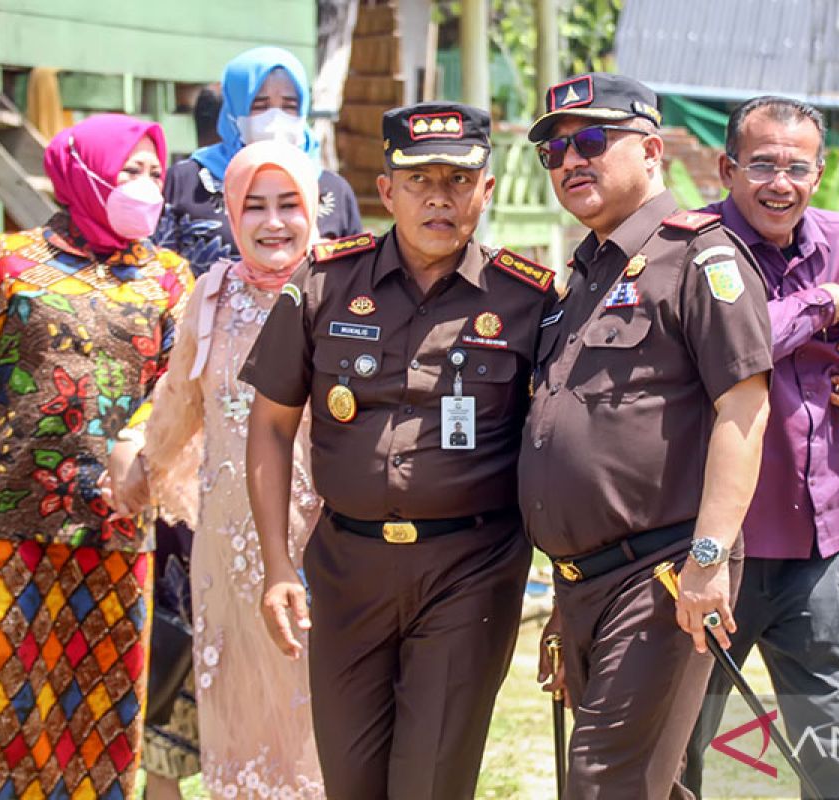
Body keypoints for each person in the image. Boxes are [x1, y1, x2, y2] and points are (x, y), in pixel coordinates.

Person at [241, 102, 551, 800]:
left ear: (488, 189)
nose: (439, 196)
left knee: (430, 782)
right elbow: (269, 425)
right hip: (346, 571)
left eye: (458, 179)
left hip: (468, 568)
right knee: (351, 781)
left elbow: (560, 442)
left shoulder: (530, 300)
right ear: (386, 191)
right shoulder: (322, 284)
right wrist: (276, 564)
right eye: (418, 180)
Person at [0, 114, 192, 799]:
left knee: (105, 704)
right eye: (131, 170)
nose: (146, 186)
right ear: (84, 173)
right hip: (5, 520)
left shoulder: (167, 277)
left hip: (117, 525)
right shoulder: (11, 261)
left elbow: (179, 388)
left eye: (155, 174)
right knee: (10, 701)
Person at [523, 73, 774, 798]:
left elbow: (744, 413)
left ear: (653, 150)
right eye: (556, 150)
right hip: (586, 586)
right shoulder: (582, 275)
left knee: (606, 783)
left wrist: (707, 560)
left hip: (661, 577)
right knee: (650, 783)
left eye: (594, 140)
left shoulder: (701, 258)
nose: (572, 159)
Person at [685, 96, 839, 800]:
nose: (779, 182)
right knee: (680, 740)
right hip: (710, 552)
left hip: (815, 546)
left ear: (819, 174)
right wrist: (820, 303)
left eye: (797, 167)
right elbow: (735, 338)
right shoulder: (693, 246)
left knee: (832, 745)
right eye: (760, 164)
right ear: (726, 167)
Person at [106, 140, 326, 796]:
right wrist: (140, 465)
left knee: (320, 712)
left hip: (327, 541)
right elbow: (179, 400)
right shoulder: (212, 296)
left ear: (314, 208)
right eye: (254, 206)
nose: (273, 222)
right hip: (229, 546)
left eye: (288, 204)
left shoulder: (341, 289)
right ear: (231, 214)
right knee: (239, 712)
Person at [155, 46, 361, 276]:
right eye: (259, 105)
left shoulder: (332, 189)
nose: (275, 117)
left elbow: (354, 275)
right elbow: (159, 269)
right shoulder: (188, 181)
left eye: (289, 106)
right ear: (233, 109)